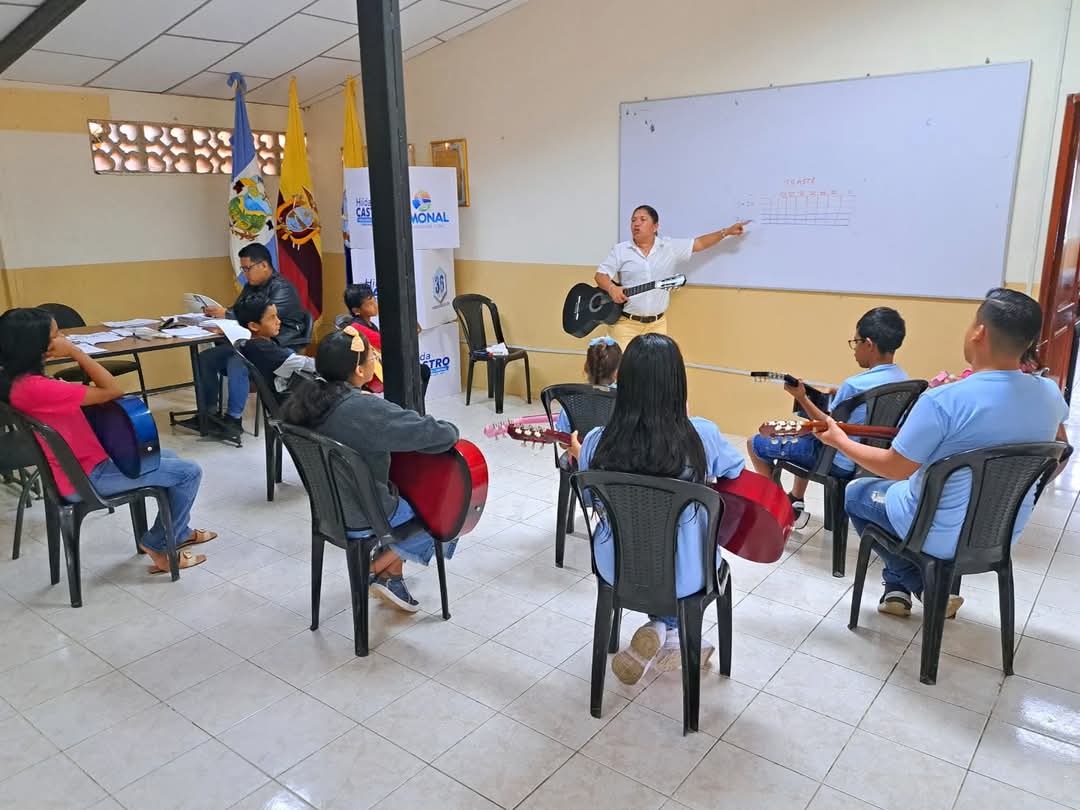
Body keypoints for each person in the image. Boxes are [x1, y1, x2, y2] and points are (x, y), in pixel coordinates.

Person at [817, 289, 1068, 618]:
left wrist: (839, 440)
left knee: (856, 492)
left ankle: (918, 585)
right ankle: (906, 589)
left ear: (980, 332)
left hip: (935, 534)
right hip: (1001, 532)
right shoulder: (1049, 394)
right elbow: (1060, 451)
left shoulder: (944, 400)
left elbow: (895, 468)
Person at [568, 333, 744, 684]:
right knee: (682, 550)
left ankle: (661, 629)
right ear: (678, 383)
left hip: (616, 567)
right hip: (685, 574)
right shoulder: (701, 435)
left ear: (624, 381)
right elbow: (735, 470)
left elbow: (589, 500)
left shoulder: (597, 440)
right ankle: (672, 632)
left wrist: (580, 455)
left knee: (648, 545)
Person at [0, 308, 215, 575]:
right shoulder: (38, 388)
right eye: (56, 335)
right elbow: (113, 390)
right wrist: (76, 352)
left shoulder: (19, 382)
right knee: (189, 472)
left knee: (168, 456)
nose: (64, 338)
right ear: (35, 345)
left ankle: (178, 532)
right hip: (86, 477)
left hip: (79, 467)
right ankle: (158, 545)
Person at [281, 326, 459, 611]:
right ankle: (375, 568)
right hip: (364, 511)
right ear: (360, 370)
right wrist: (451, 428)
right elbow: (440, 435)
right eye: (372, 357)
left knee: (404, 492)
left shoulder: (309, 398)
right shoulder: (362, 409)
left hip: (329, 509)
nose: (375, 359)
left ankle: (391, 576)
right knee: (449, 510)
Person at [747, 307, 908, 526]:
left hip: (839, 461)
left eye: (856, 342)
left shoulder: (854, 385)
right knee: (805, 433)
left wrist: (802, 397)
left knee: (754, 443)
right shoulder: (902, 378)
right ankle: (795, 499)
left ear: (869, 344)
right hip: (872, 460)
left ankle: (779, 510)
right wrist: (836, 393)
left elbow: (826, 426)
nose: (854, 349)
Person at [180, 243, 308, 438]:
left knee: (237, 362)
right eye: (243, 269)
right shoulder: (251, 287)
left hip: (276, 344)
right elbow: (241, 310)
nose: (245, 274)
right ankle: (208, 414)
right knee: (204, 358)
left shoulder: (282, 288)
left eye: (247, 268)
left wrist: (227, 314)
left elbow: (264, 319)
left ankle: (233, 421)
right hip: (250, 341)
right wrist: (220, 320)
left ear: (264, 265)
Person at [595, 206, 749, 347]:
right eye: (633, 220)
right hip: (626, 324)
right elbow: (600, 275)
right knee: (619, 366)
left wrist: (726, 232)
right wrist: (611, 288)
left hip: (657, 325)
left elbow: (699, 244)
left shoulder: (668, 247)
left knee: (657, 366)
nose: (636, 224)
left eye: (642, 220)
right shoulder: (621, 250)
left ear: (655, 226)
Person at [341, 283, 431, 399]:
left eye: (374, 301)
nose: (375, 305)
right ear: (356, 311)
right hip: (369, 375)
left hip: (381, 368)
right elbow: (388, 343)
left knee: (421, 371)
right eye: (369, 304)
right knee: (421, 372)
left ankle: (415, 406)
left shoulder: (370, 325)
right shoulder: (357, 327)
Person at [234, 293, 315, 401]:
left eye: (276, 315)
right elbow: (303, 364)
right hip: (290, 402)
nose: (278, 321)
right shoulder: (263, 349)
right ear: (254, 326)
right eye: (272, 318)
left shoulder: (250, 344)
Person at [554, 335, 621, 434]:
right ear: (617, 372)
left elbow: (562, 439)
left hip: (579, 444)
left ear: (586, 368)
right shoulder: (626, 399)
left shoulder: (572, 400)